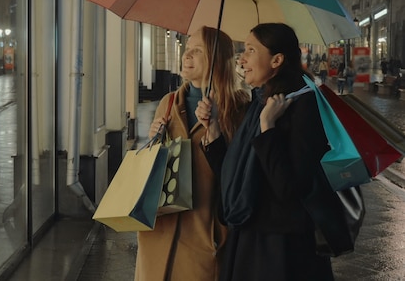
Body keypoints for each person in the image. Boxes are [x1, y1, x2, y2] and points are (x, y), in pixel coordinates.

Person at [197, 23, 342, 280]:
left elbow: (289, 188)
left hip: (282, 250)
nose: (241, 59)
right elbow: (238, 175)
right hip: (250, 238)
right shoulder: (261, 101)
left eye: (251, 50)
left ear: (277, 59)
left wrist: (268, 129)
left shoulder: (301, 104)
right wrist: (214, 130)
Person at [134, 26, 250, 280]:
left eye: (197, 51)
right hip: (160, 230)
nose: (187, 56)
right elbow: (154, 163)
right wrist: (155, 137)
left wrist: (217, 129)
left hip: (203, 235)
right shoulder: (169, 102)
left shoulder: (240, 107)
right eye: (187, 50)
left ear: (216, 58)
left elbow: (241, 173)